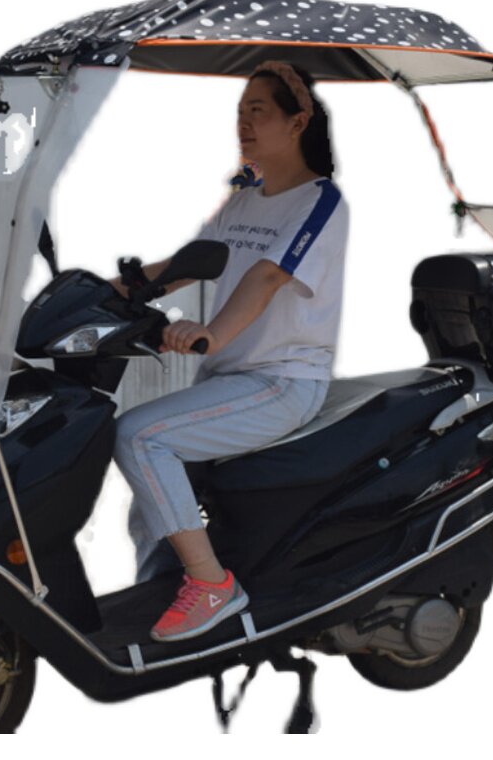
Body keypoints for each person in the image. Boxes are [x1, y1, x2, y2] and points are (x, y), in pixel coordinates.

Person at [110, 60, 350, 642]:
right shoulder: (244, 200)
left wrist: (212, 334)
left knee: (139, 438)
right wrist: (99, 294)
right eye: (240, 112)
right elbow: (186, 264)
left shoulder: (318, 202)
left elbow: (267, 276)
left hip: (282, 381)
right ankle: (156, 595)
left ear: (297, 123)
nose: (243, 123)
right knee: (148, 503)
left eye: (258, 111)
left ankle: (211, 585)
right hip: (229, 381)